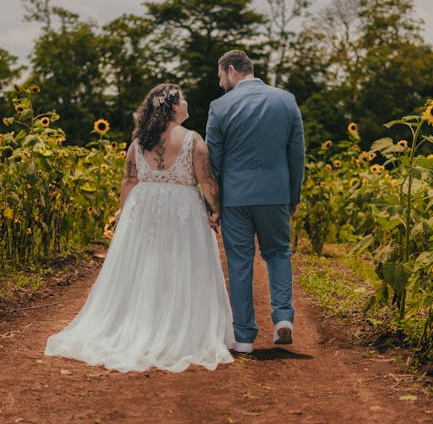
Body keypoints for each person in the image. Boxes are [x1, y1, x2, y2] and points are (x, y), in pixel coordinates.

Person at [45, 84, 235, 372]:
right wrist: (216, 209)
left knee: (143, 266)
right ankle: (175, 327)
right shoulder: (193, 140)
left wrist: (124, 210)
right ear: (172, 107)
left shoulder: (137, 142)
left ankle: (140, 323)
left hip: (144, 206)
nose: (186, 103)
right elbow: (208, 182)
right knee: (180, 265)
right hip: (181, 208)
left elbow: (129, 180)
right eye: (182, 100)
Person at [205, 50, 305, 355]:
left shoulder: (219, 107)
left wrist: (215, 205)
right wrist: (293, 194)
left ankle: (245, 337)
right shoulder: (286, 100)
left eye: (221, 76)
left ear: (231, 70)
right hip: (275, 194)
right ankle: (283, 318)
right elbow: (296, 154)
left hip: (236, 198)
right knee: (277, 254)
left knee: (239, 263)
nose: (220, 83)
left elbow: (214, 161)